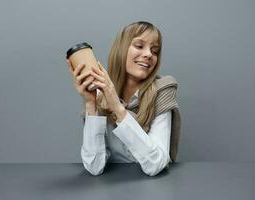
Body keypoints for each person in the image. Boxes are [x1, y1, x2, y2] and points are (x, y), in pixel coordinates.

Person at [67, 21, 181, 176]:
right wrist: (90, 104)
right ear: (121, 49)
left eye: (155, 51)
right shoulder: (101, 94)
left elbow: (156, 164)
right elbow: (94, 167)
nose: (149, 54)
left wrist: (118, 109)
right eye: (140, 46)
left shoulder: (162, 90)